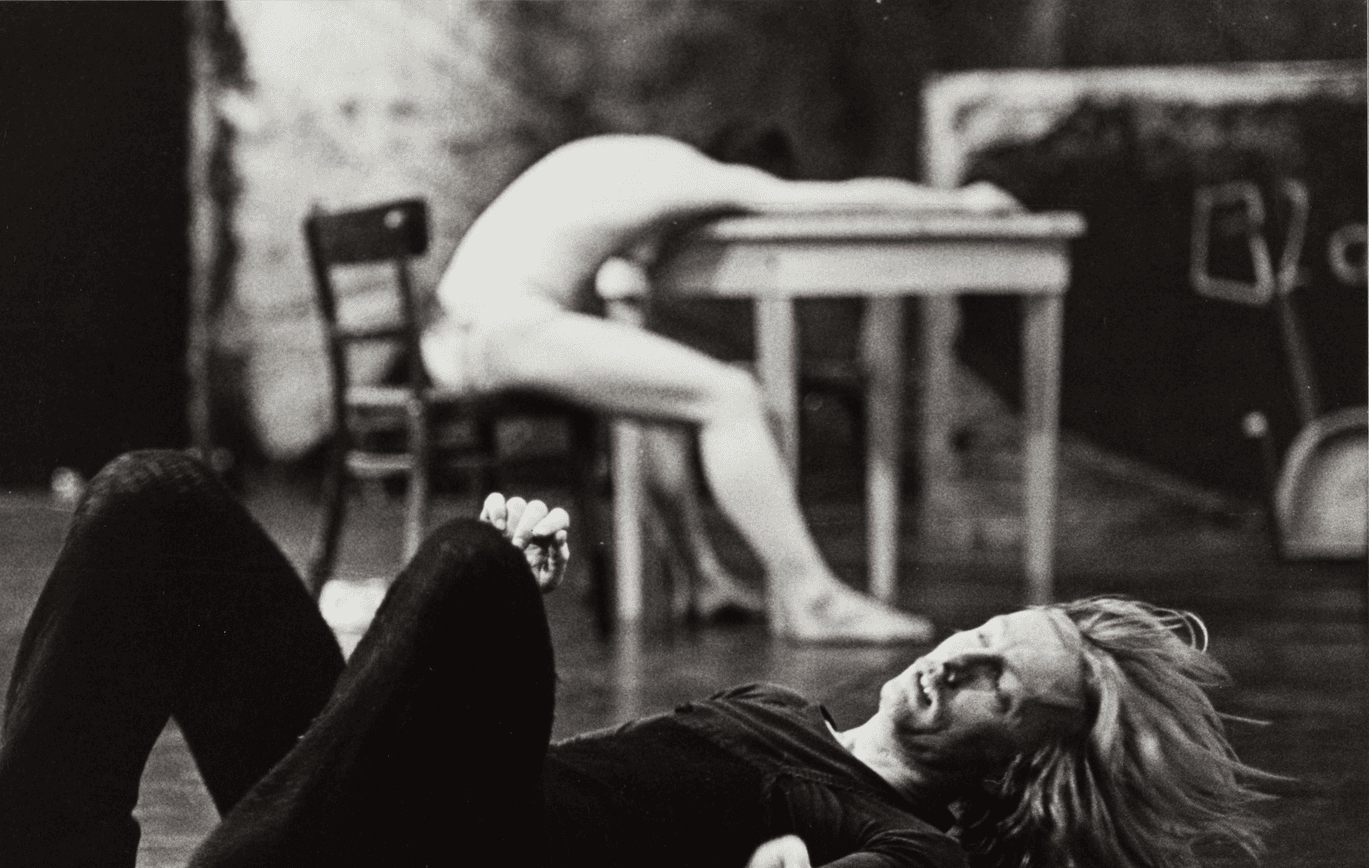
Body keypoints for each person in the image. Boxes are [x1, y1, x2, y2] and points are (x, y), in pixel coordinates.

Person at [0, 452, 1271, 868]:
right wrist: (423, 630)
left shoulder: (909, 843)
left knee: (474, 563)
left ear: (1017, 759)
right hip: (404, 812)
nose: (959, 657)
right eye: (985, 633)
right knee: (156, 497)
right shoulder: (788, 714)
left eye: (998, 689)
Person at [419, 133, 1020, 643]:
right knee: (729, 395)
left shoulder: (621, 161)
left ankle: (700, 579)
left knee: (661, 400)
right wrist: (957, 203)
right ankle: (814, 595)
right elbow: (821, 203)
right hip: (492, 330)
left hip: (464, 333)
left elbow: (604, 262)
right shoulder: (689, 175)